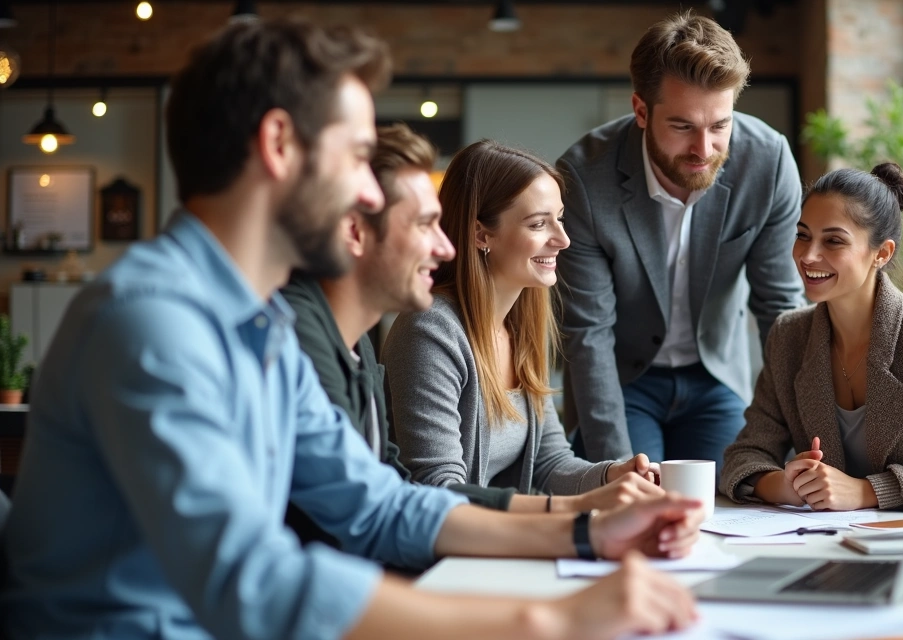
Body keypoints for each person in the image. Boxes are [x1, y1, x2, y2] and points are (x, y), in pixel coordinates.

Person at [0, 19, 702, 640]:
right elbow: (251, 581)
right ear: (279, 144)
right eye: (356, 155)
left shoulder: (264, 321)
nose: (370, 194)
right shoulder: (151, 324)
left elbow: (378, 503)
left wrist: (587, 530)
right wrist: (549, 622)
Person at [287, 126, 659, 514]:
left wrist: (613, 475)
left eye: (560, 219)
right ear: (482, 235)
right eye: (538, 224)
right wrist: (562, 516)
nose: (563, 239)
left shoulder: (521, 324)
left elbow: (550, 462)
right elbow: (435, 486)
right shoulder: (430, 331)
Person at [557, 11, 805, 470]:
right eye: (683, 126)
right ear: (641, 111)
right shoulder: (584, 178)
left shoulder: (767, 162)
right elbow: (587, 333)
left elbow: (781, 311)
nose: (704, 150)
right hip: (623, 379)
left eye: (719, 126)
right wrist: (615, 474)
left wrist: (795, 438)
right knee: (638, 507)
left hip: (717, 375)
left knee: (728, 501)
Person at [719, 163, 903, 514]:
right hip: (827, 547)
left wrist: (870, 491)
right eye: (803, 235)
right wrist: (783, 485)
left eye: (833, 240)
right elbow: (744, 455)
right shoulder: (789, 336)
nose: (808, 255)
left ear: (882, 253)